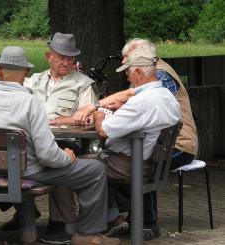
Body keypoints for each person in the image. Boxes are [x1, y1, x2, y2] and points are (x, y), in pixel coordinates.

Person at [0, 46, 120, 245]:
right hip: (29, 170)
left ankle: (37, 225)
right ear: (27, 73)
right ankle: (86, 233)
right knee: (96, 169)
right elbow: (47, 155)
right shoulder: (31, 102)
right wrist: (67, 157)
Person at [75, 46, 180, 241]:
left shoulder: (141, 101)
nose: (127, 78)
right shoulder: (167, 97)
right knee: (90, 163)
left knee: (74, 166)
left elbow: (104, 130)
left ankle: (89, 230)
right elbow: (145, 119)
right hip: (151, 164)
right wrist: (122, 109)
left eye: (129, 73)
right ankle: (111, 219)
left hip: (130, 165)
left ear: (139, 72)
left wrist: (98, 113)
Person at [2, 32, 98, 244]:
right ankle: (25, 217)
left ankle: (62, 223)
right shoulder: (33, 80)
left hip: (66, 141)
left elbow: (87, 117)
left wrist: (67, 120)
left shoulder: (83, 84)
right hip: (32, 142)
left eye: (70, 58)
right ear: (49, 56)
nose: (66, 62)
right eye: (61, 56)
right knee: (12, 156)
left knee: (58, 159)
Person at [119, 38, 198, 240]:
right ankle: (130, 218)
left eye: (127, 57)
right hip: (161, 142)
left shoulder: (159, 75)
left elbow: (148, 106)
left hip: (180, 144)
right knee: (124, 159)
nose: (123, 62)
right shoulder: (149, 73)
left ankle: (147, 222)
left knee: (139, 164)